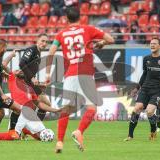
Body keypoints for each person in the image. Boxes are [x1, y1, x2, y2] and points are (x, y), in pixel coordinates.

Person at [45, 7, 114, 153]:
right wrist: (101, 43)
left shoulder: (61, 34)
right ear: (80, 17)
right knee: (91, 108)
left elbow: (51, 51)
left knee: (65, 110)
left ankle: (59, 142)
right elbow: (110, 39)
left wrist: (47, 74)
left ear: (66, 18)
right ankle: (79, 131)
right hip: (85, 72)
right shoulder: (87, 29)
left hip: (70, 74)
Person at [125, 37, 160, 141]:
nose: (152, 45)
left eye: (154, 44)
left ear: (159, 46)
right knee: (137, 108)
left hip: (158, 90)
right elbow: (144, 74)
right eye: (151, 43)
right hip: (145, 88)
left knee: (149, 111)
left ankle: (153, 132)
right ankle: (130, 136)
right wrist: (137, 87)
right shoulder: (146, 59)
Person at [0, 72, 60, 141]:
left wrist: (55, 110)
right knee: (12, 137)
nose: (21, 71)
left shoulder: (30, 89)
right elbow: (3, 67)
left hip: (29, 114)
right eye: (19, 70)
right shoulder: (12, 79)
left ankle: (25, 130)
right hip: (18, 114)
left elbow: (39, 104)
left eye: (23, 71)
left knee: (40, 137)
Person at [19, 33, 51, 121]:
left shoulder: (38, 53)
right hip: (24, 82)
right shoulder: (32, 49)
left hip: (31, 83)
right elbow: (22, 63)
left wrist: (39, 84)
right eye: (42, 41)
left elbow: (31, 71)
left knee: (46, 104)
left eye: (46, 42)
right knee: (30, 107)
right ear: (37, 40)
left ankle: (35, 126)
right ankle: (23, 128)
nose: (44, 43)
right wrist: (32, 78)